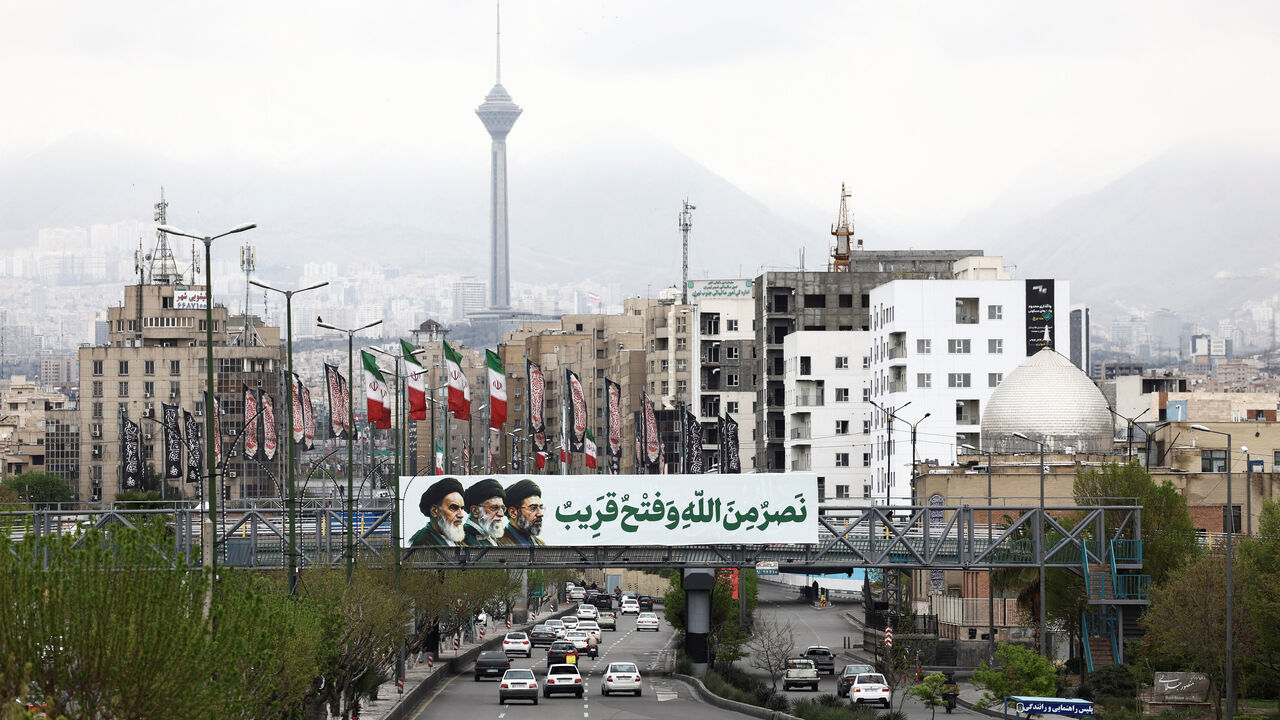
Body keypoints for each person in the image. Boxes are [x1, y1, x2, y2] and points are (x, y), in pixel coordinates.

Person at [409, 477, 466, 546]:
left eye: (461, 508)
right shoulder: (421, 543)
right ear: (434, 511)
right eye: (453, 507)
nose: (461, 515)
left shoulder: (456, 541)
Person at [497, 479, 546, 546]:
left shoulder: (540, 544)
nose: (540, 514)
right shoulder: (499, 544)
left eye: (541, 508)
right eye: (533, 508)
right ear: (513, 512)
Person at [462, 478, 508, 546]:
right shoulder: (465, 538)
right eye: (494, 508)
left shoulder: (490, 535)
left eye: (502, 508)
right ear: (475, 511)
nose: (501, 514)